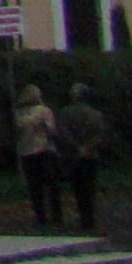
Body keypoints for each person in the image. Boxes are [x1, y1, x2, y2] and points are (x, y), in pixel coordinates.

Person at [55, 81, 110, 231]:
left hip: (71, 156)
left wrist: (75, 147)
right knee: (90, 188)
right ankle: (89, 219)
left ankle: (82, 218)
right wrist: (87, 147)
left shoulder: (64, 113)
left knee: (77, 188)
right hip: (90, 156)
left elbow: (62, 133)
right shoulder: (96, 114)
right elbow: (100, 135)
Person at [13, 82, 61, 227]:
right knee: (51, 185)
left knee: (35, 187)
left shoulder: (18, 113)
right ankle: (56, 216)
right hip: (44, 149)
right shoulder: (44, 111)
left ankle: (41, 217)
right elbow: (52, 131)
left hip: (26, 151)